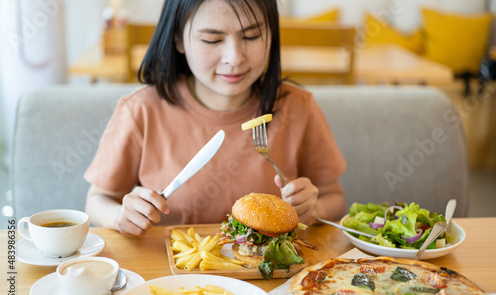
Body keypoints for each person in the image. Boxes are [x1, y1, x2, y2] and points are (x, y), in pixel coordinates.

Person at [84, 0, 346, 237]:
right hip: (169, 278)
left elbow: (334, 197)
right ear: (178, 39)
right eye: (212, 40)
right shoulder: (140, 109)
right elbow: (98, 200)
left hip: (270, 279)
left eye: (252, 36)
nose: (234, 58)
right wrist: (120, 216)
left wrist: (314, 207)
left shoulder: (297, 107)